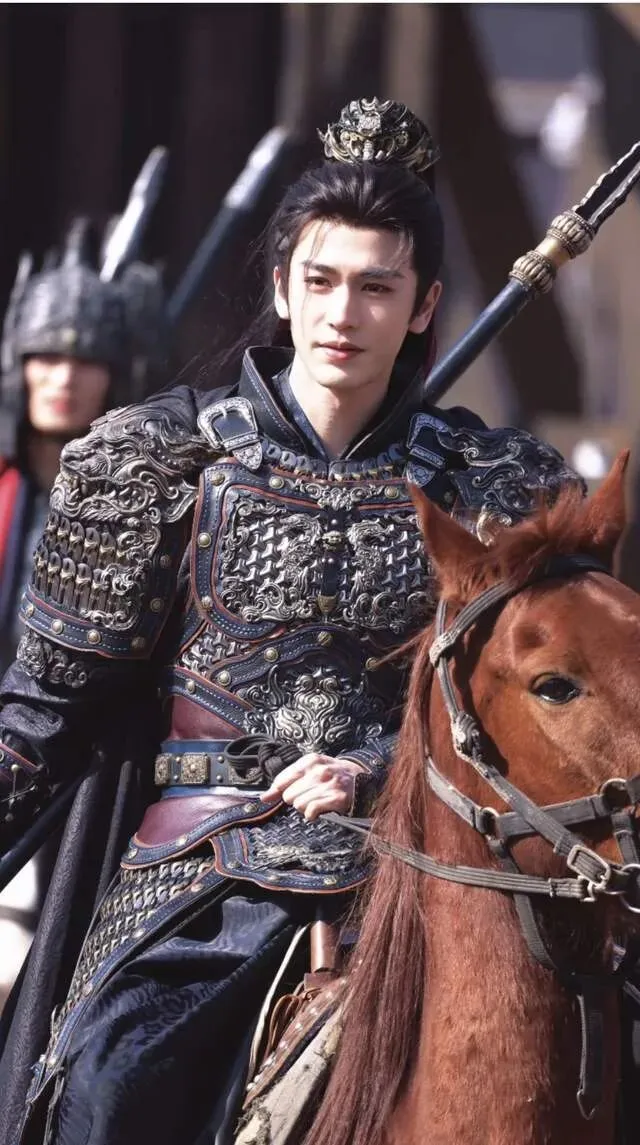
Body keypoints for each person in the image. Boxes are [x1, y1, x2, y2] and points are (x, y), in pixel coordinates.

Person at [0, 97, 578, 1145]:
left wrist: (377, 767)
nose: (341, 313)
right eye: (319, 280)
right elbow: (39, 719)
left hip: (422, 861)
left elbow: (546, 715)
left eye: (375, 286)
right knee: (107, 1083)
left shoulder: (493, 487)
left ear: (423, 305)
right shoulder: (154, 464)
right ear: (281, 286)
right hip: (202, 867)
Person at [0, 217, 166, 1011]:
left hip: (81, 759)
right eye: (46, 356)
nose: (63, 377)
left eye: (85, 359)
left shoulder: (145, 500)